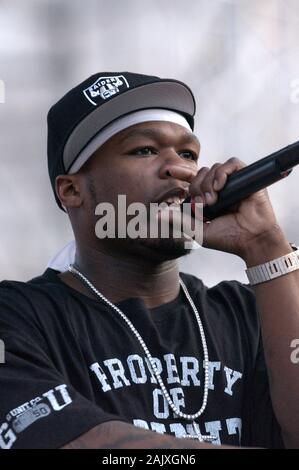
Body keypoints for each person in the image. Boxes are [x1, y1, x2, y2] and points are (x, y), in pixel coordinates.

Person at [0, 71, 299, 450]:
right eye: (144, 150)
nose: (179, 168)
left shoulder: (251, 312)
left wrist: (265, 247)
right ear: (72, 190)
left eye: (188, 154)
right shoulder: (17, 318)